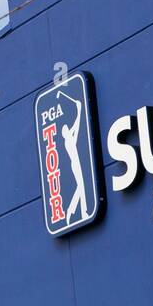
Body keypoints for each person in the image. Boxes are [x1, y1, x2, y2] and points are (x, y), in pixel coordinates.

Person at [58, 91, 89, 225]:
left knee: (80, 186)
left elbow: (76, 126)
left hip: (76, 163)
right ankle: (79, 212)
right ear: (65, 133)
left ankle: (72, 210)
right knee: (81, 186)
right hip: (75, 164)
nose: (68, 128)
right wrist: (79, 109)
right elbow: (77, 126)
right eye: (66, 128)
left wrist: (79, 109)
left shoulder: (69, 137)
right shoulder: (69, 140)